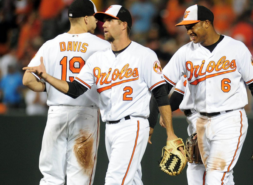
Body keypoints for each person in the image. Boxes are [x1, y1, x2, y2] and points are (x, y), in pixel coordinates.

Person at [23, 5, 182, 185]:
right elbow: (75, 89)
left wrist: (170, 133)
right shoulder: (98, 56)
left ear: (123, 25)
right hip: (109, 126)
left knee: (114, 181)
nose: (103, 24)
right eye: (102, 20)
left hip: (133, 124)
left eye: (109, 20)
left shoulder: (143, 54)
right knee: (130, 181)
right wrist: (47, 77)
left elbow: (160, 93)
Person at [160, 4, 253, 185]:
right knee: (199, 180)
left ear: (207, 23)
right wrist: (161, 118)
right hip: (196, 123)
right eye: (186, 27)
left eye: (192, 25)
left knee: (216, 177)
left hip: (229, 120)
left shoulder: (235, 48)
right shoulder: (186, 54)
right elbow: (172, 93)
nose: (188, 30)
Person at [22, 0, 110, 184]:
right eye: (95, 18)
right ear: (86, 19)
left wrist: (51, 86)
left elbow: (28, 80)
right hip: (85, 113)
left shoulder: (51, 44)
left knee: (50, 177)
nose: (97, 23)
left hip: (56, 113)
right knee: (80, 178)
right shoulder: (101, 45)